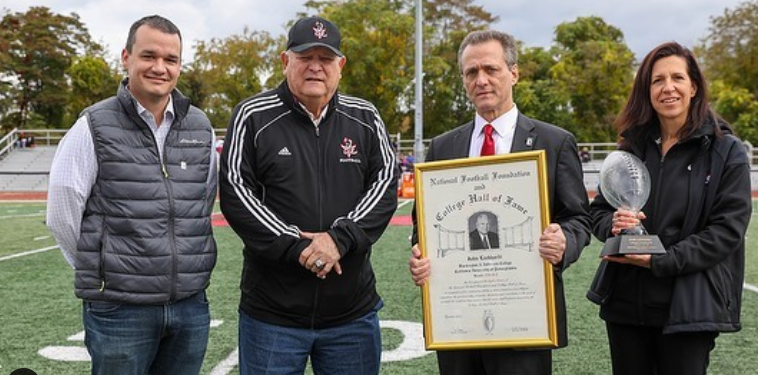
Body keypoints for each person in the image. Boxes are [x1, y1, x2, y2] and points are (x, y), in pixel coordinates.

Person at [219, 16, 398, 375]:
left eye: (326, 58)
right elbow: (237, 191)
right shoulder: (252, 115)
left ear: (340, 66)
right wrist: (297, 246)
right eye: (305, 56)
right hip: (272, 315)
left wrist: (338, 240)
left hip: (352, 314)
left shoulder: (366, 116)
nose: (316, 66)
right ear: (286, 61)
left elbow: (385, 182)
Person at [408, 30, 592, 375]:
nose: (481, 80)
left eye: (491, 69)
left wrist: (564, 240)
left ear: (514, 73)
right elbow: (424, 226)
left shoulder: (555, 142)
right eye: (471, 72)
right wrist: (420, 252)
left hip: (525, 318)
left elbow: (578, 218)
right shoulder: (443, 148)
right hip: (458, 322)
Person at [46, 15, 217, 375]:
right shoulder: (92, 125)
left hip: (189, 305)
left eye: (170, 60)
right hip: (120, 310)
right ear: (126, 57)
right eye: (148, 56)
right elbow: (62, 213)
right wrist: (104, 270)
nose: (160, 67)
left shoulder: (199, 126)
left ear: (180, 66)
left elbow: (202, 203)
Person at [587, 42, 751, 375]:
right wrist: (614, 225)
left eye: (677, 77)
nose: (668, 87)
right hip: (626, 303)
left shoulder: (726, 151)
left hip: (689, 306)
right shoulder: (632, 146)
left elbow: (727, 230)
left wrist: (661, 260)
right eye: (657, 80)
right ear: (646, 91)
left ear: (694, 86)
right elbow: (599, 212)